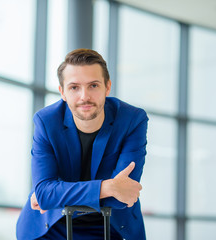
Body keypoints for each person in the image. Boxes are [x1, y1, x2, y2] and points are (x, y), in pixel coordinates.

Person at [16, 49, 148, 240]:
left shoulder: (132, 120)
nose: (84, 96)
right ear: (62, 92)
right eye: (74, 87)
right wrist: (108, 187)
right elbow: (44, 193)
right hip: (52, 226)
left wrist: (57, 195)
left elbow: (123, 197)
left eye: (93, 85)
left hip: (112, 227)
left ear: (107, 87)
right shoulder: (46, 121)